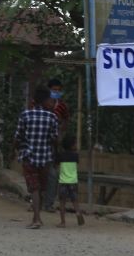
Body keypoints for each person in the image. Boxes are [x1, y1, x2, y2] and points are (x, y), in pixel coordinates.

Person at [13, 86, 59, 229]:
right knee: (41, 188)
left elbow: (17, 137)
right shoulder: (52, 117)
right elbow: (55, 139)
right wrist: (54, 154)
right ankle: (37, 217)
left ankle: (37, 219)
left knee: (34, 189)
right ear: (45, 101)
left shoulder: (25, 115)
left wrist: (15, 150)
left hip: (29, 157)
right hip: (45, 158)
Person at [44, 78, 70, 212]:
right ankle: (37, 201)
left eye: (58, 90)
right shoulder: (40, 103)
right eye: (54, 90)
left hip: (54, 143)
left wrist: (61, 136)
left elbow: (66, 121)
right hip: (41, 143)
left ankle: (48, 203)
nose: (56, 92)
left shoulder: (62, 106)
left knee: (53, 174)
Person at [56, 134, 84, 228]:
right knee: (75, 200)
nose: (76, 145)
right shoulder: (75, 156)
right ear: (72, 145)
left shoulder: (61, 155)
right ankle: (78, 213)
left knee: (62, 202)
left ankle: (63, 222)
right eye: (75, 144)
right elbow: (77, 165)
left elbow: (56, 165)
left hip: (63, 181)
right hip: (73, 181)